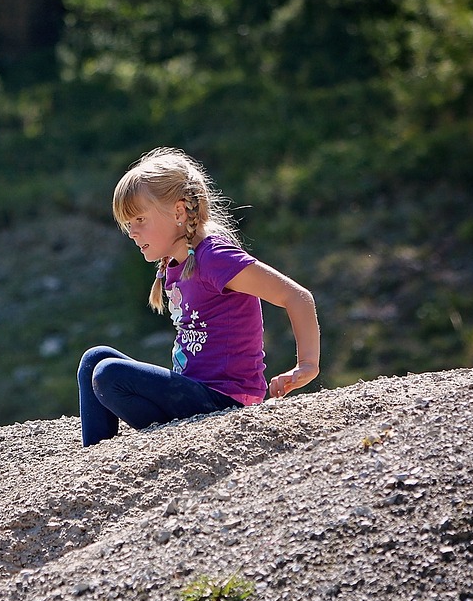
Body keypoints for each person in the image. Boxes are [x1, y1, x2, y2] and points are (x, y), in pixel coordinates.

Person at [77, 146, 320, 447]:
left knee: (109, 373)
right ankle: (97, 458)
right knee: (94, 359)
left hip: (226, 403)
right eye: (128, 224)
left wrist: (307, 365)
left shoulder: (215, 257)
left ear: (178, 212)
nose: (131, 232)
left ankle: (157, 441)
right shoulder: (176, 259)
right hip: (194, 392)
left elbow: (296, 296)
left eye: (139, 219)